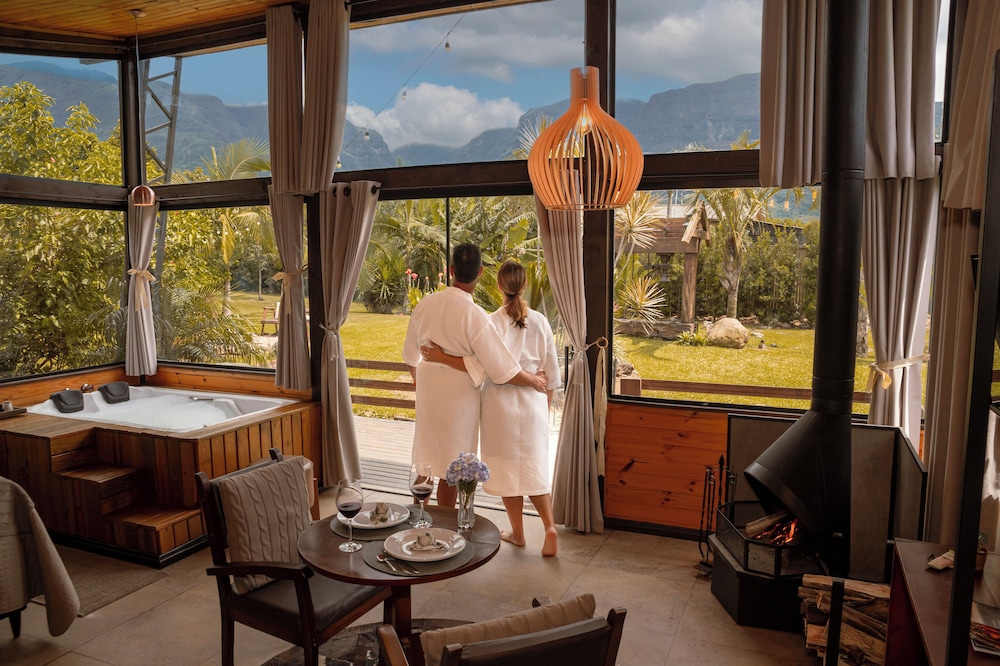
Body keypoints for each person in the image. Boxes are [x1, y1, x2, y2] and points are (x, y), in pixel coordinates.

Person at [422, 260, 561, 556]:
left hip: (501, 406)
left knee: (510, 472)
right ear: (524, 286)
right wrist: (545, 407)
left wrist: (440, 356)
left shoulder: (492, 321)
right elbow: (551, 375)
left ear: (498, 285)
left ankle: (519, 533)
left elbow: (478, 366)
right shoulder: (540, 321)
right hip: (534, 404)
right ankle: (549, 527)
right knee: (534, 470)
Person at [402, 244, 546, 509]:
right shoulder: (476, 316)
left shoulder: (424, 305)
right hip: (458, 404)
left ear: (452, 270)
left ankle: (417, 524)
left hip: (429, 397)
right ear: (480, 272)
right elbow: (500, 368)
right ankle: (445, 532)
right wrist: (534, 380)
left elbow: (411, 357)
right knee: (451, 468)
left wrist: (421, 382)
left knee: (424, 462)